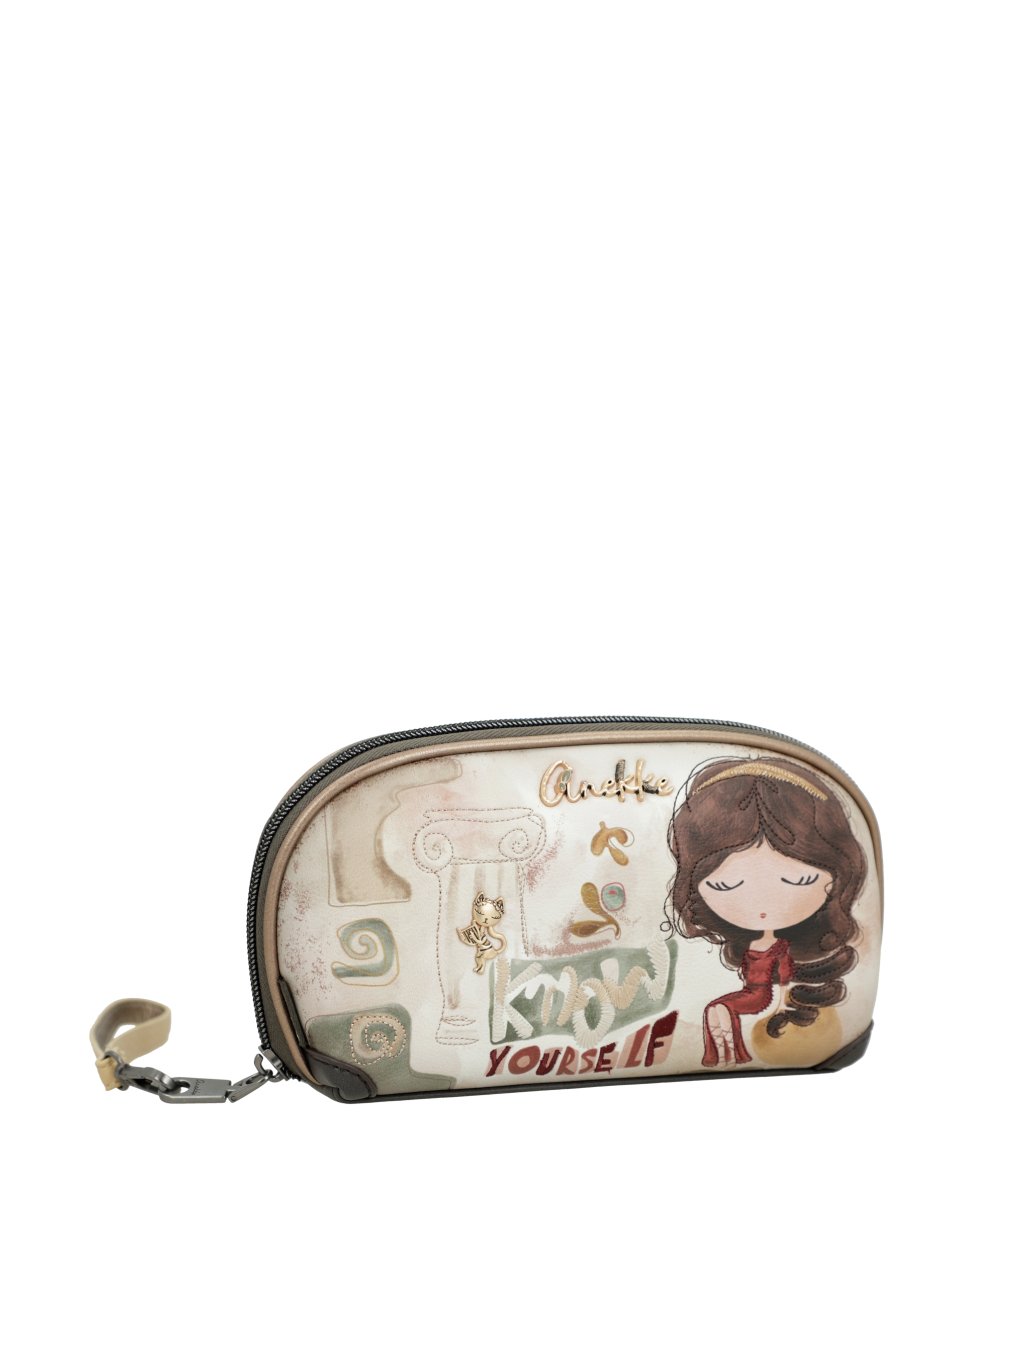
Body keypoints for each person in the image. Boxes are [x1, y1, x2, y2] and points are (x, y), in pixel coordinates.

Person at [667, 757, 867, 1067]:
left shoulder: (782, 949)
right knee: (716, 1011)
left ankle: (728, 1056)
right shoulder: (757, 943)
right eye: (725, 885)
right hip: (755, 996)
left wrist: (784, 1000)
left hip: (764, 999)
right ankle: (727, 1056)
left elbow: (784, 975)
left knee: (718, 1010)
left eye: (799, 880)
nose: (761, 905)